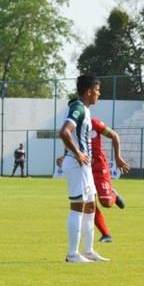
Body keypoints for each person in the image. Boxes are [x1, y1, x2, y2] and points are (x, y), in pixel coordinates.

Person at [58, 74, 109, 263]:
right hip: (77, 163)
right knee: (78, 206)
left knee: (90, 206)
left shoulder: (84, 110)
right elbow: (64, 132)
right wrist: (78, 153)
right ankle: (72, 254)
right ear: (88, 91)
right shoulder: (78, 108)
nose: (99, 94)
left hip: (84, 165)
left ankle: (88, 251)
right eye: (97, 91)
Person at [59, 115, 130, 243]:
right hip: (83, 168)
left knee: (106, 203)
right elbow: (68, 147)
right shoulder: (71, 129)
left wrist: (118, 157)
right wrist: (64, 158)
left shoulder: (94, 123)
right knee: (88, 202)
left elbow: (114, 135)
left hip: (99, 168)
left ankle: (112, 194)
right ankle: (106, 234)